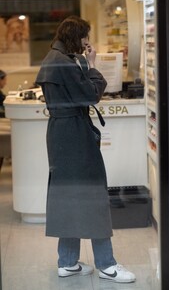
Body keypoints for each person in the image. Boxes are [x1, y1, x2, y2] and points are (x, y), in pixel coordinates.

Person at [36, 16, 136, 283]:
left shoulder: (54, 58)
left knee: (68, 195)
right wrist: (92, 66)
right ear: (76, 35)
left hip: (61, 134)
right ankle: (107, 264)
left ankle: (67, 262)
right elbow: (90, 95)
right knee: (92, 193)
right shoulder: (65, 63)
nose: (87, 43)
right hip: (74, 136)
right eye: (85, 37)